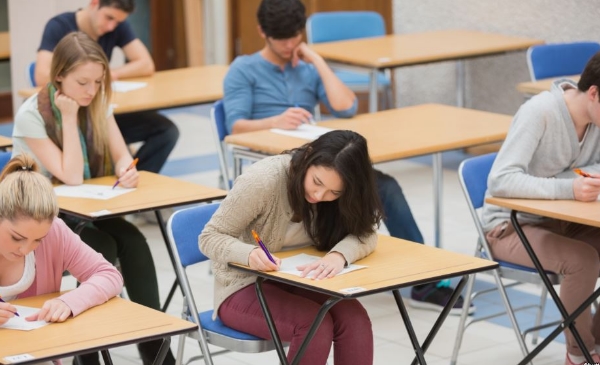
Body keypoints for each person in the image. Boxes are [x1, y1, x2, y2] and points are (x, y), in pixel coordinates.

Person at [223, 0, 473, 315]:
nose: (289, 46)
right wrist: (273, 121)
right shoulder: (244, 69)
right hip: (272, 165)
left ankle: (424, 285)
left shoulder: (306, 67)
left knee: (385, 187)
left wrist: (316, 59)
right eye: (281, 39)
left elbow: (346, 107)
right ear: (263, 33)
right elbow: (235, 126)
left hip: (314, 161)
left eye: (294, 38)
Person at [12, 32, 175, 365]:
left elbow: (120, 154)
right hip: (48, 220)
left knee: (134, 239)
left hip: (91, 209)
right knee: (106, 247)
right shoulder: (32, 114)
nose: (91, 91)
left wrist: (125, 169)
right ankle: (86, 354)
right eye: (82, 82)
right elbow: (70, 175)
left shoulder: (98, 103)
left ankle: (155, 350)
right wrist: (70, 119)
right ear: (59, 76)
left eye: (98, 82)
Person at [201, 130, 383, 364]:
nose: (319, 195)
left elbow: (366, 233)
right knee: (313, 325)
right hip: (242, 286)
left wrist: (339, 255)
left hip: (296, 280)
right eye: (317, 182)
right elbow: (209, 236)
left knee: (354, 319)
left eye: (334, 192)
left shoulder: (342, 192)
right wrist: (248, 254)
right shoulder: (263, 180)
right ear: (308, 157)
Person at [481, 52, 600, 365]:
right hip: (509, 227)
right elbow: (501, 180)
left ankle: (596, 345)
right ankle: (580, 354)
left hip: (561, 221)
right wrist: (568, 187)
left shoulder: (595, 120)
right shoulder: (540, 112)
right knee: (583, 260)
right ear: (593, 93)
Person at [0, 154, 123, 365]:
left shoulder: (55, 232)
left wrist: (69, 301)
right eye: (16, 237)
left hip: (32, 354)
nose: (25, 249)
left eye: (38, 240)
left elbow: (108, 275)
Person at [35, 0, 179, 175]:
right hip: (69, 110)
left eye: (117, 22)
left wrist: (106, 75)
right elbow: (41, 75)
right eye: (109, 17)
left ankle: (129, 176)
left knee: (166, 131)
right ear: (95, 3)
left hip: (99, 107)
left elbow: (146, 64)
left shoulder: (116, 25)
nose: (112, 26)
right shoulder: (59, 26)